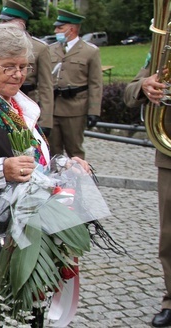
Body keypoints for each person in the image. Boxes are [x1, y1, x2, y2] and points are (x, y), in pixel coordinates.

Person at [0, 23, 90, 326]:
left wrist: (64, 166)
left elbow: (36, 162)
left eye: (23, 67)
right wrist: (1, 170)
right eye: (9, 66)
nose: (18, 75)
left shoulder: (19, 105)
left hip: (26, 237)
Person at [124, 56, 171, 327]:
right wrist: (145, 85)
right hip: (169, 155)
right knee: (169, 236)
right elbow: (130, 93)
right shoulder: (164, 52)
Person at [49, 9, 102, 159]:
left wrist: (94, 111)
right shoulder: (51, 50)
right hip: (53, 108)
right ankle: (54, 182)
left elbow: (96, 84)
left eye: (60, 28)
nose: (56, 31)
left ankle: (78, 181)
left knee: (75, 151)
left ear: (71, 29)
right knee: (52, 151)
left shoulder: (90, 51)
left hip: (75, 109)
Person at [0, 0, 54, 136]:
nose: (1, 25)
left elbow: (46, 86)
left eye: (6, 22)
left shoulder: (40, 48)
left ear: (20, 24)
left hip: (27, 104)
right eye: (2, 22)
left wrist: (46, 121)